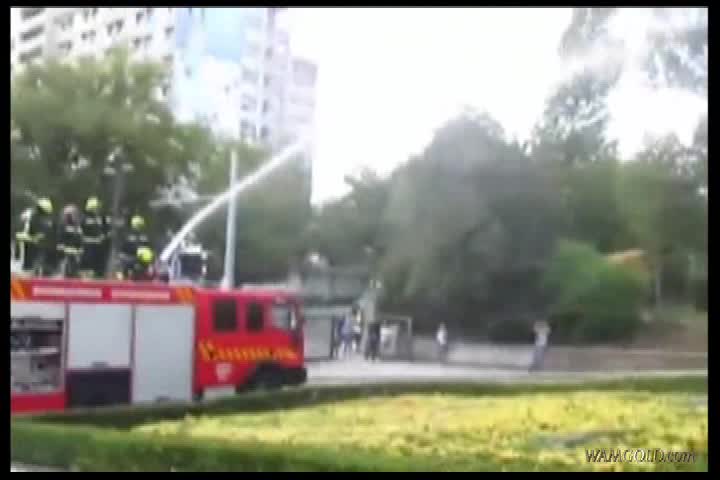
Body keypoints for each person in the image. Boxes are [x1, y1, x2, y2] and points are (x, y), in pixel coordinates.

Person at [15, 198, 56, 276]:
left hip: (31, 243)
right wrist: (36, 237)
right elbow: (25, 231)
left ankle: (30, 272)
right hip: (26, 243)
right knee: (26, 264)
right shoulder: (33, 216)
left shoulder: (32, 214)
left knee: (31, 264)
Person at [79, 197, 107, 279]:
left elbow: (104, 230)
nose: (98, 210)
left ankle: (97, 276)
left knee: (98, 265)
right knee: (87, 265)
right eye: (96, 208)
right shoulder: (84, 218)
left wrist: (103, 235)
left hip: (98, 246)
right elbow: (80, 231)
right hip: (88, 245)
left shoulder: (100, 218)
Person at [119, 214, 151, 279]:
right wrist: (123, 258)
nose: (138, 227)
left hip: (141, 260)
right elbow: (123, 250)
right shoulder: (128, 236)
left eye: (140, 225)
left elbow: (149, 250)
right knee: (126, 271)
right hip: (129, 259)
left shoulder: (144, 237)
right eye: (137, 225)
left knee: (141, 272)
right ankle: (125, 277)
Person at [56, 205, 84, 278]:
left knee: (74, 270)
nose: (72, 216)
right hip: (66, 252)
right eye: (70, 214)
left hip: (75, 252)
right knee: (65, 269)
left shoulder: (78, 226)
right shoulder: (63, 226)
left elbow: (79, 238)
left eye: (74, 214)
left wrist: (80, 248)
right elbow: (60, 238)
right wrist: (61, 247)